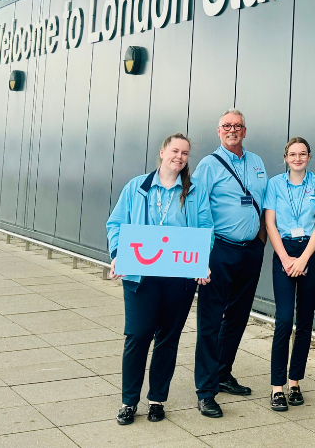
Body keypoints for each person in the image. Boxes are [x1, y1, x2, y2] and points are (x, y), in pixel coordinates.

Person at [106, 133, 213, 425]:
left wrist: (202, 261)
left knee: (168, 339)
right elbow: (115, 223)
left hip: (179, 278)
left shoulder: (194, 191)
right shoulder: (137, 188)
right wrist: (117, 254)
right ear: (163, 151)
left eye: (185, 153)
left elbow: (206, 227)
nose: (179, 156)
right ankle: (129, 402)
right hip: (141, 277)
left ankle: (157, 400)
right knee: (138, 336)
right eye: (175, 150)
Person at [191, 109, 269, 417]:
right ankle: (206, 389)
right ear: (219, 131)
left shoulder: (257, 162)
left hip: (251, 251)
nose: (232, 130)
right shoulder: (208, 165)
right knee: (210, 320)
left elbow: (264, 202)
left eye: (237, 126)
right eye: (227, 126)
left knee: (238, 315)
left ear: (245, 131)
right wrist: (200, 257)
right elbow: (196, 208)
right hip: (219, 250)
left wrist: (260, 236)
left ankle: (223, 373)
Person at [264, 137, 315, 411]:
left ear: (309, 157)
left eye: (303, 154)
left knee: (304, 322)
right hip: (284, 250)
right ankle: (276, 387)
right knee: (284, 319)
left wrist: (303, 259)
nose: (298, 158)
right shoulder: (275, 184)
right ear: (286, 157)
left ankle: (294, 382)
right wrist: (286, 258)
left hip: (310, 252)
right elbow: (270, 223)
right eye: (293, 154)